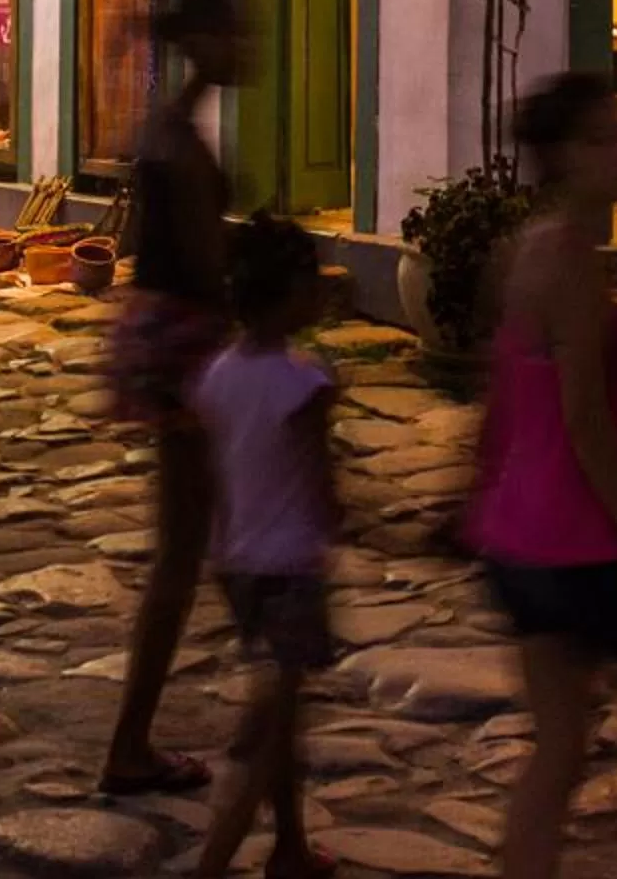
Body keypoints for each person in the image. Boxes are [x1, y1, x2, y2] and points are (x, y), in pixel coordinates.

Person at [468, 72, 617, 879]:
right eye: (602, 138)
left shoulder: (523, 249)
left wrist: (471, 496)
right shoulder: (569, 262)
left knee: (559, 747)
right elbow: (586, 422)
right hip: (573, 543)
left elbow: (500, 395)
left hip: (517, 537)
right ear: (563, 155)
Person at [99, 0, 247, 798]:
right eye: (236, 34)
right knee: (186, 550)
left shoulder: (164, 126)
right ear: (205, 41)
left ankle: (275, 673)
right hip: (188, 342)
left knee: (206, 537)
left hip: (162, 336)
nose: (249, 47)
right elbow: (205, 268)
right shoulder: (182, 147)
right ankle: (131, 743)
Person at [188, 215, 339, 879]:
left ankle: (291, 848)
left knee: (285, 718)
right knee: (264, 735)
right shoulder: (303, 385)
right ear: (289, 295)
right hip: (289, 569)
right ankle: (212, 864)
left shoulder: (217, 374)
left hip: (238, 563)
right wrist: (339, 522)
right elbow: (320, 479)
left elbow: (215, 469)